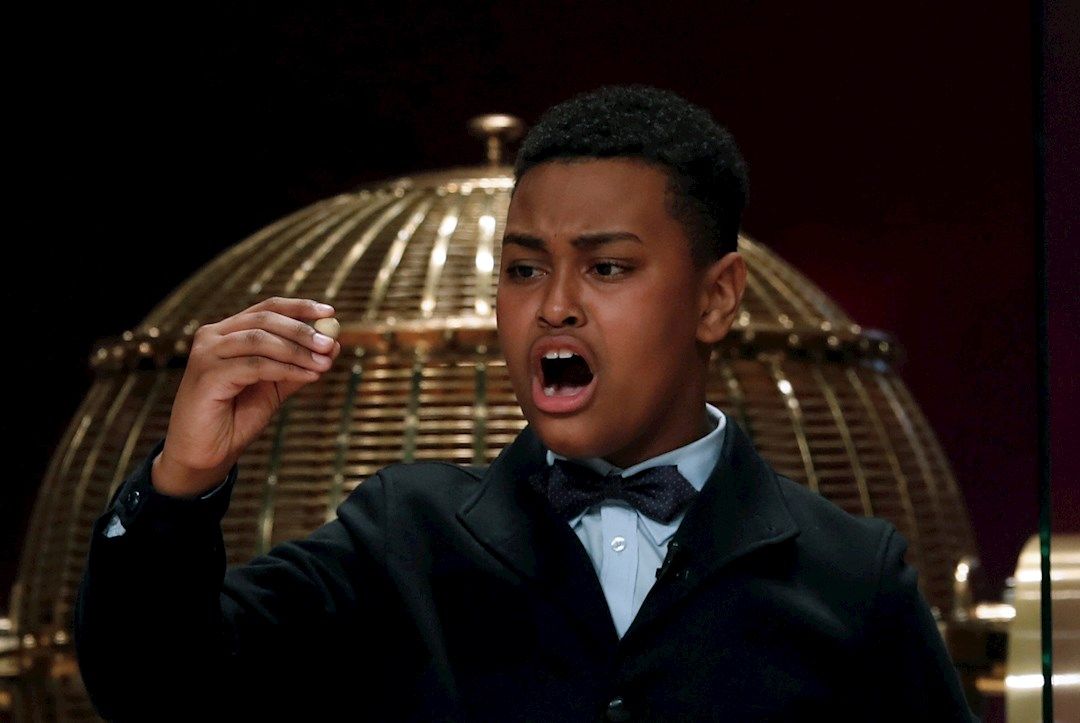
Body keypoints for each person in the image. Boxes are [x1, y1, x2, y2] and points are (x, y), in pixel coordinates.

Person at [75, 86, 976, 721]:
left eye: (607, 266)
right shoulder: (402, 537)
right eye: (523, 269)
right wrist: (183, 479)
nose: (554, 305)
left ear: (716, 299)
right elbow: (153, 688)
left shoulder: (855, 578)